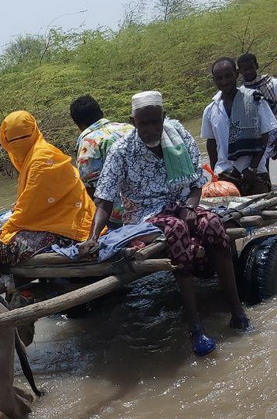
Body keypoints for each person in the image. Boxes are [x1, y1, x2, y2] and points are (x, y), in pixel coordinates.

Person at [79, 91, 250, 355]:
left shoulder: (178, 136)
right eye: (143, 123)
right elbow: (105, 199)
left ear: (163, 118)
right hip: (146, 215)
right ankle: (195, 325)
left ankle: (237, 309)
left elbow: (196, 183)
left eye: (155, 122)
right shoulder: (121, 151)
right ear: (133, 121)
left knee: (214, 224)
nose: (150, 129)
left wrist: (191, 207)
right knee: (176, 230)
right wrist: (93, 237)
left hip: (184, 203)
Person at [0, 110, 95, 285]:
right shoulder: (43, 154)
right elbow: (31, 203)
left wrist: (1, 234)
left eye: (22, 139)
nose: (18, 145)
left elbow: (26, 211)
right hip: (72, 219)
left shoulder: (40, 160)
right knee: (1, 234)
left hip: (65, 231)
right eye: (14, 141)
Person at [201, 57, 277, 195]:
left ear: (237, 74)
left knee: (259, 196)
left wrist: (252, 168)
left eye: (228, 76)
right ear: (214, 81)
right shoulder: (210, 110)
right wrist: (214, 176)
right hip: (225, 172)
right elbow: (211, 145)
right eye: (219, 78)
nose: (224, 82)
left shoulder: (255, 100)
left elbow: (265, 137)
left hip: (255, 171)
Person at [70, 94, 133, 230]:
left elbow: (93, 190)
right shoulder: (129, 128)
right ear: (101, 113)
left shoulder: (88, 144)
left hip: (121, 215)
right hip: (152, 200)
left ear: (77, 123)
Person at [237, 52, 277, 185]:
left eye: (250, 68)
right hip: (258, 140)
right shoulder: (240, 92)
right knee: (264, 179)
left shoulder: (273, 83)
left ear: (256, 66)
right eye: (244, 69)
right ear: (239, 71)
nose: (247, 72)